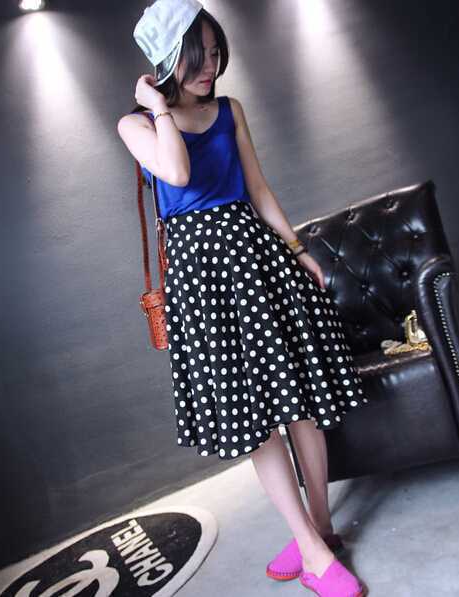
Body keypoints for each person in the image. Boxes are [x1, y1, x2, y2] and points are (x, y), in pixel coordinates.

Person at [117, 1, 369, 595]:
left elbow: (257, 187)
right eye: (199, 55)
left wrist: (298, 249)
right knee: (254, 420)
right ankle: (311, 550)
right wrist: (158, 108)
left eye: (216, 53)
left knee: (299, 399)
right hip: (203, 281)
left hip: (259, 258)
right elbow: (177, 174)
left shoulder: (230, 109)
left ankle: (321, 531)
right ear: (169, 58)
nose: (212, 66)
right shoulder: (136, 125)